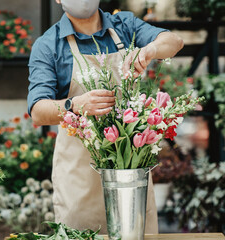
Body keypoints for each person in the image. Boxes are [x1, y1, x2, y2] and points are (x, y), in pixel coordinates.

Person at [27, 0, 184, 234]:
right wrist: (75, 105)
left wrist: (150, 49)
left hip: (131, 174)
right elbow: (38, 110)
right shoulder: (49, 45)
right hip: (80, 181)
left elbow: (174, 42)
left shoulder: (124, 26)